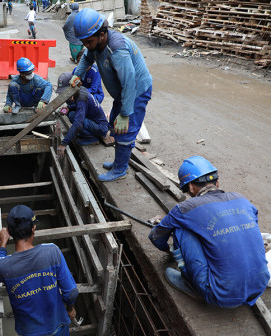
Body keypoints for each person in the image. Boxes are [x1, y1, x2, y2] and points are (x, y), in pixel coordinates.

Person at [149, 156, 270, 308]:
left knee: (181, 229)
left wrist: (168, 250)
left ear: (191, 187)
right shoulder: (242, 200)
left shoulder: (185, 208)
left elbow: (156, 237)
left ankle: (190, 283)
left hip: (220, 294)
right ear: (217, 182)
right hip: (259, 286)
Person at [71, 8, 153, 182]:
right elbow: (86, 58)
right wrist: (78, 74)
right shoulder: (95, 43)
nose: (86, 45)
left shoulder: (116, 50)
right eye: (83, 42)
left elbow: (130, 83)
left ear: (102, 34)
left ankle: (120, 170)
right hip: (122, 92)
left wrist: (125, 114)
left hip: (136, 91)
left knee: (125, 129)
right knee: (115, 126)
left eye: (88, 41)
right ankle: (118, 162)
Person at [0, 205, 79, 336]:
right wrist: (70, 308)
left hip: (29, 332)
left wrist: (3, 243)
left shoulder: (3, 266)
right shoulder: (52, 251)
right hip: (58, 325)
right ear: (34, 228)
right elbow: (71, 292)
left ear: (9, 231)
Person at [56, 72, 108, 158]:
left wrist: (63, 143)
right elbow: (81, 106)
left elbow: (78, 124)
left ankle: (92, 138)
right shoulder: (81, 90)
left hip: (101, 127)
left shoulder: (81, 98)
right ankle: (88, 134)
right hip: (95, 122)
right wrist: (69, 107)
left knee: (74, 118)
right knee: (72, 113)